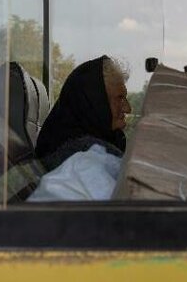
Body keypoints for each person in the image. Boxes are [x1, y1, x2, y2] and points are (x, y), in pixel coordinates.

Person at [28, 55, 132, 201]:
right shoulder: (80, 157)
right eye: (119, 98)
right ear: (95, 102)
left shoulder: (75, 145)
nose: (128, 108)